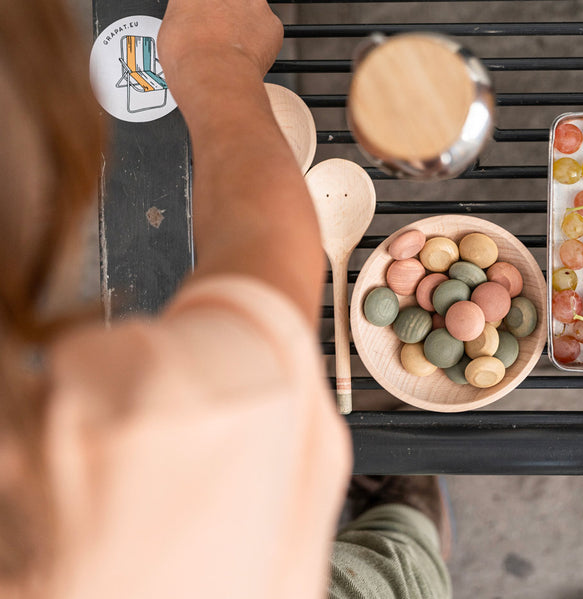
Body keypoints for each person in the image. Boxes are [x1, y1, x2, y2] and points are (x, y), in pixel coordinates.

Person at [0, 0, 450, 597]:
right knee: (392, 573)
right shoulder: (136, 449)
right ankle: (407, 527)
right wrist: (215, 56)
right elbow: (264, 253)